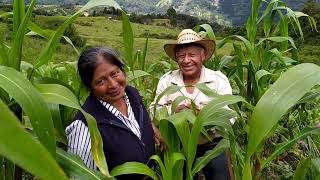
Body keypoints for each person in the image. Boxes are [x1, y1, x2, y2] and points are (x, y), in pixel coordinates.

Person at [151, 29, 233, 180]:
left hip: (212, 146)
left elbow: (230, 116)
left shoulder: (218, 80)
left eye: (192, 55)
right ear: (176, 58)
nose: (186, 60)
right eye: (181, 56)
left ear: (203, 56)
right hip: (177, 145)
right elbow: (155, 111)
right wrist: (174, 110)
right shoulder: (167, 81)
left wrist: (203, 116)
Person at [66, 47, 155, 179]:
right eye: (101, 81)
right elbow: (82, 176)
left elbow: (138, 123)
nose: (113, 84)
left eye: (114, 73)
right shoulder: (85, 126)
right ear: (90, 86)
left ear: (122, 70)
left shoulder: (132, 94)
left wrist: (151, 129)